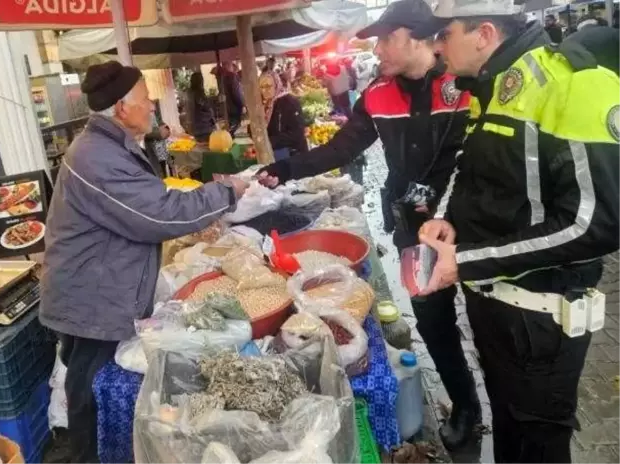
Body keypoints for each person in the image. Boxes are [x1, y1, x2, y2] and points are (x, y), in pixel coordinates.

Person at [258, 0, 480, 449]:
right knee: (434, 322)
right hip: (411, 230)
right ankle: (466, 407)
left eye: (383, 39)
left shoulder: (468, 85)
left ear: (411, 37)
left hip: (471, 227)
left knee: (487, 324)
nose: (377, 50)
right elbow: (341, 149)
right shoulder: (379, 92)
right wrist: (283, 171)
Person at [412, 1, 620, 462]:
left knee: (537, 446)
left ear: (484, 33)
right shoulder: (489, 89)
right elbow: (484, 179)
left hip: (541, 323)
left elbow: (596, 222)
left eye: (444, 35)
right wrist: (450, 223)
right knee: (507, 431)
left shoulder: (572, 84)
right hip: (494, 312)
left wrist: (465, 260)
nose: (436, 46)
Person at [39, 61, 248, 464]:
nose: (152, 105)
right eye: (144, 99)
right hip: (92, 298)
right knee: (90, 392)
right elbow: (158, 215)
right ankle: (88, 457)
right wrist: (225, 193)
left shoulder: (113, 145)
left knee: (93, 387)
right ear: (121, 108)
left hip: (103, 289)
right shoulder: (95, 156)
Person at [258, 71, 308, 161]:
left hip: (293, 155)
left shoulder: (290, 102)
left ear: (277, 85)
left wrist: (270, 141)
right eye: (261, 87)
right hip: (274, 153)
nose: (264, 90)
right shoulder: (265, 105)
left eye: (268, 86)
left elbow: (297, 133)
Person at [188, 72, 216, 143]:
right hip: (204, 127)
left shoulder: (189, 93)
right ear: (200, 81)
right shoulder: (199, 93)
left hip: (195, 128)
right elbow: (206, 107)